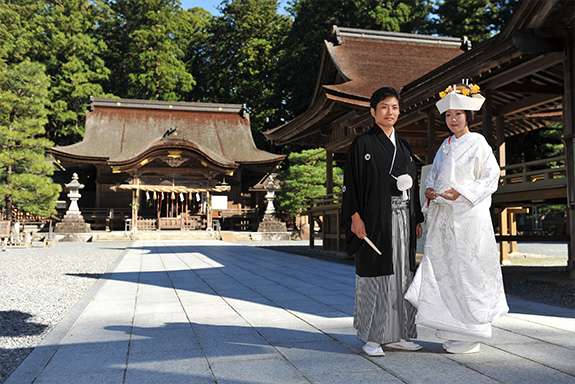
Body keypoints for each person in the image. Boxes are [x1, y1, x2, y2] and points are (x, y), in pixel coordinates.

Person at [405, 82, 509, 354]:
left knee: (469, 269)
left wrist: (461, 192)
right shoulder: (445, 145)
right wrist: (429, 190)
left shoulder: (478, 143)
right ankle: (450, 328)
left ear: (468, 116)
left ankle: (472, 330)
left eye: (458, 114)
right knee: (443, 269)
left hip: (468, 217)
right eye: (448, 115)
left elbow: (491, 177)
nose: (453, 120)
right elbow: (436, 176)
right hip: (443, 217)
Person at [341, 87, 424, 357]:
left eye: (395, 107)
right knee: (376, 276)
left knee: (403, 275)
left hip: (403, 218)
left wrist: (417, 217)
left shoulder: (404, 146)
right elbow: (351, 183)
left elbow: (414, 185)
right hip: (376, 220)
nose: (390, 112)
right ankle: (372, 337)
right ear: (373, 111)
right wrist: (354, 216)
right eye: (385, 107)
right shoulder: (362, 144)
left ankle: (401, 333)